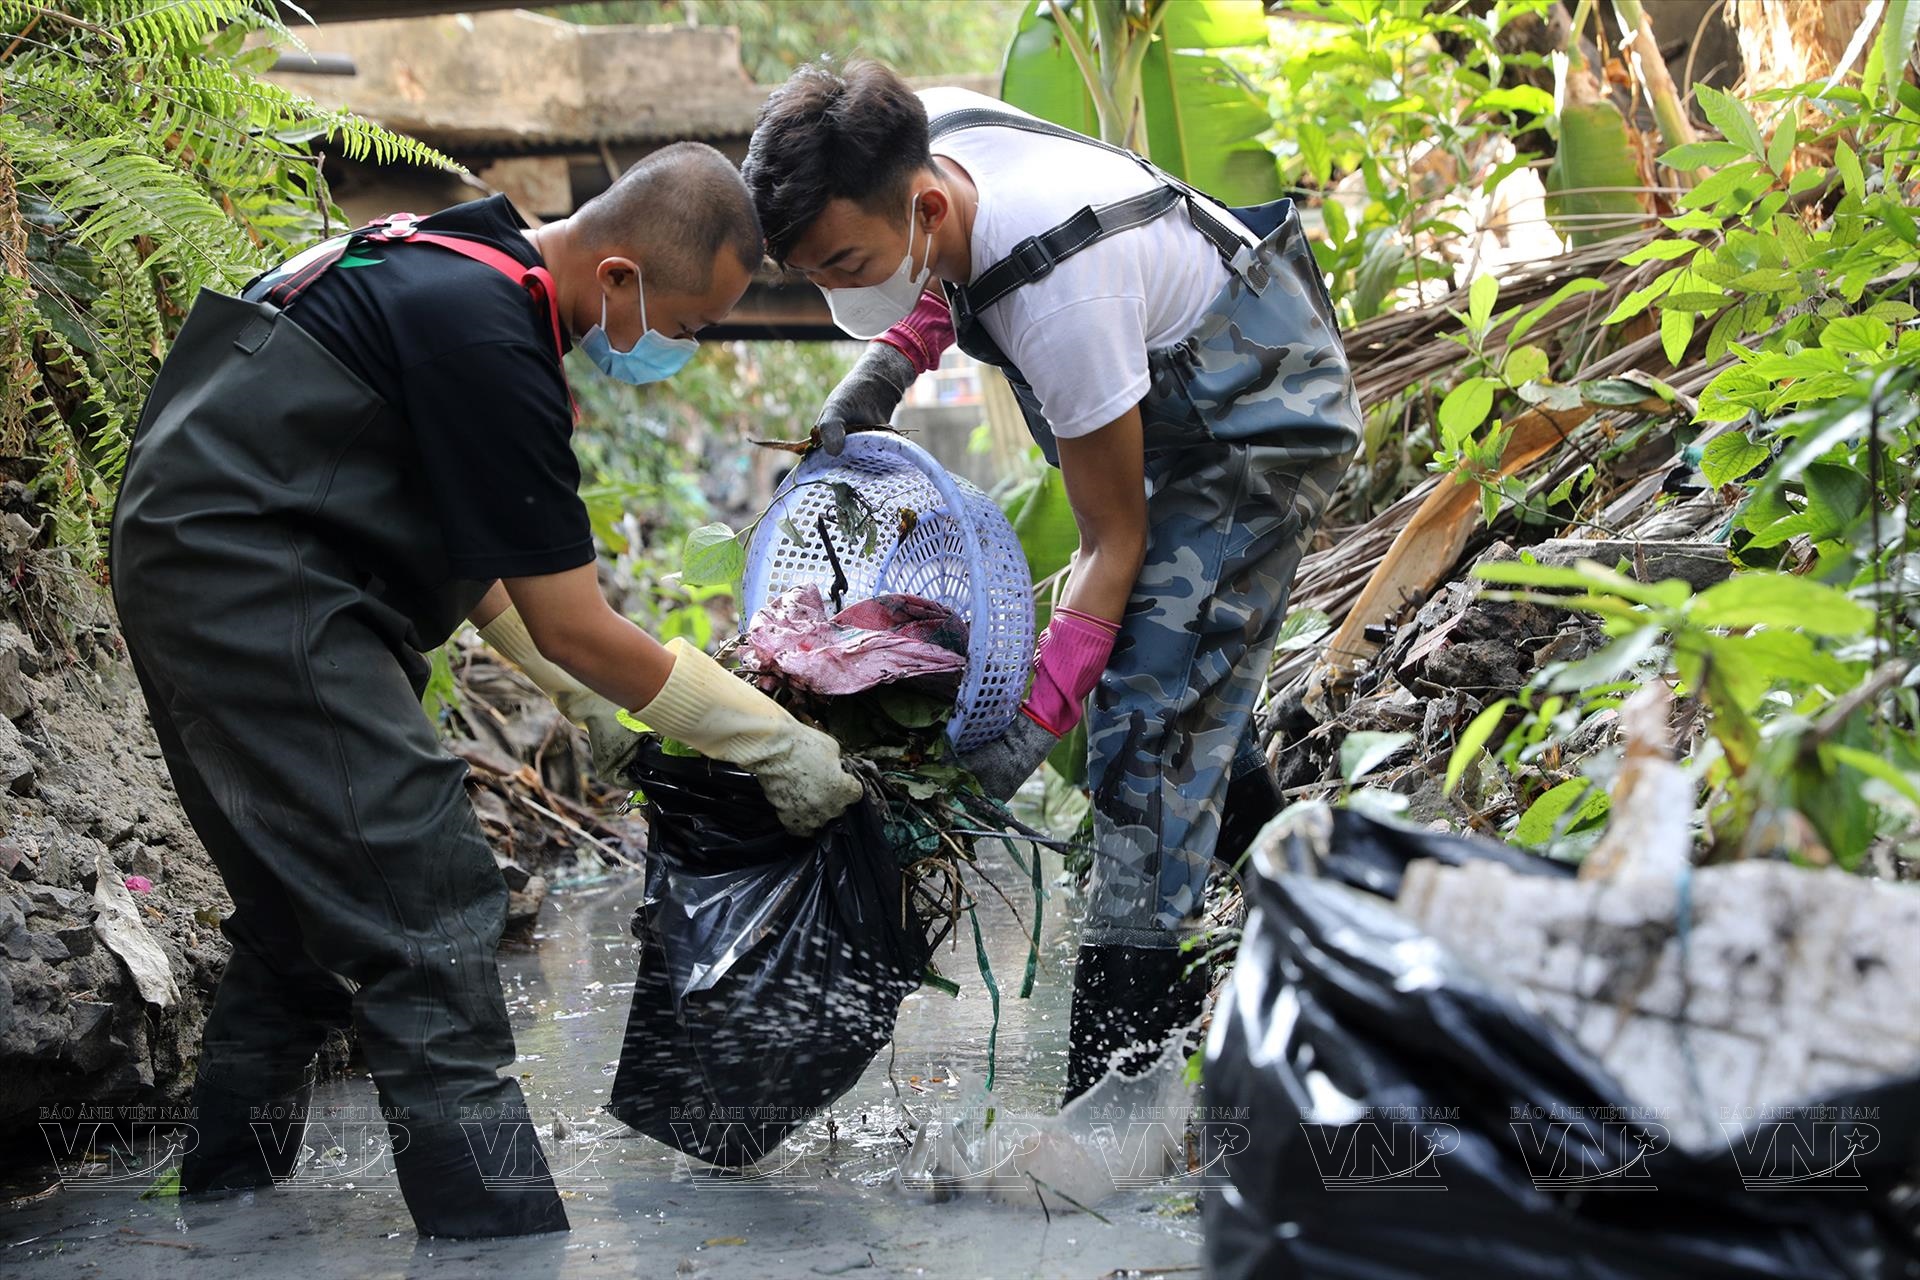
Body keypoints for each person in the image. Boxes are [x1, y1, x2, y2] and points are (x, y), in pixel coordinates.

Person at [109, 142, 862, 1237]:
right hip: (248, 580)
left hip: (214, 558)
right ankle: (498, 1237)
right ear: (618, 278)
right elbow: (572, 618)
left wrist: (591, 702)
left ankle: (222, 1210)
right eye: (688, 326)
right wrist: (774, 742)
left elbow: (492, 578)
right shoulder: (489, 331)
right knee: (428, 895)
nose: (683, 351)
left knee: (303, 911)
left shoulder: (462, 264)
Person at [743, 63, 1363, 1101]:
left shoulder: (1061, 295)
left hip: (1256, 420)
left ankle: (1114, 1104)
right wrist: (893, 359)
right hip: (1165, 389)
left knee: (1143, 738)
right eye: (814, 274)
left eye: (846, 262)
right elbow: (945, 267)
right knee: (1186, 684)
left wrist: (1032, 724)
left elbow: (1112, 544)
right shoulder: (917, 129)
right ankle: (1341, 937)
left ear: (922, 203)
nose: (837, 289)